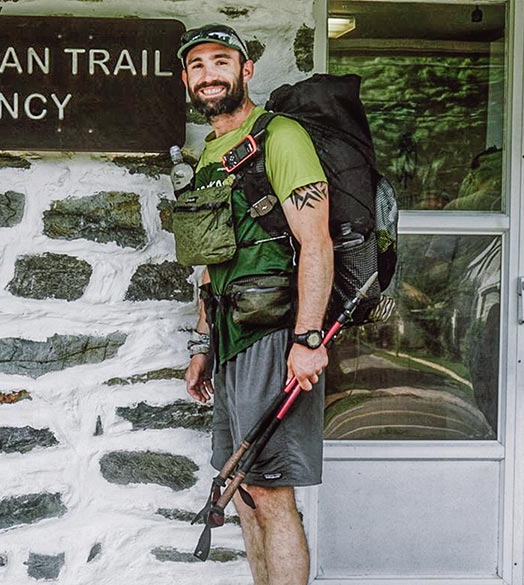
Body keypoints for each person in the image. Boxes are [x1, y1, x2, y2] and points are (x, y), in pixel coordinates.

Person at [177, 24, 333, 585]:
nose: (209, 74)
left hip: (274, 335)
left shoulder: (280, 136)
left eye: (221, 61)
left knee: (269, 492)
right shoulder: (210, 152)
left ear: (245, 71)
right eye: (197, 66)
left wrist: (307, 338)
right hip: (230, 338)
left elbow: (316, 242)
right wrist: (202, 345)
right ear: (187, 80)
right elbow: (212, 259)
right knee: (240, 489)